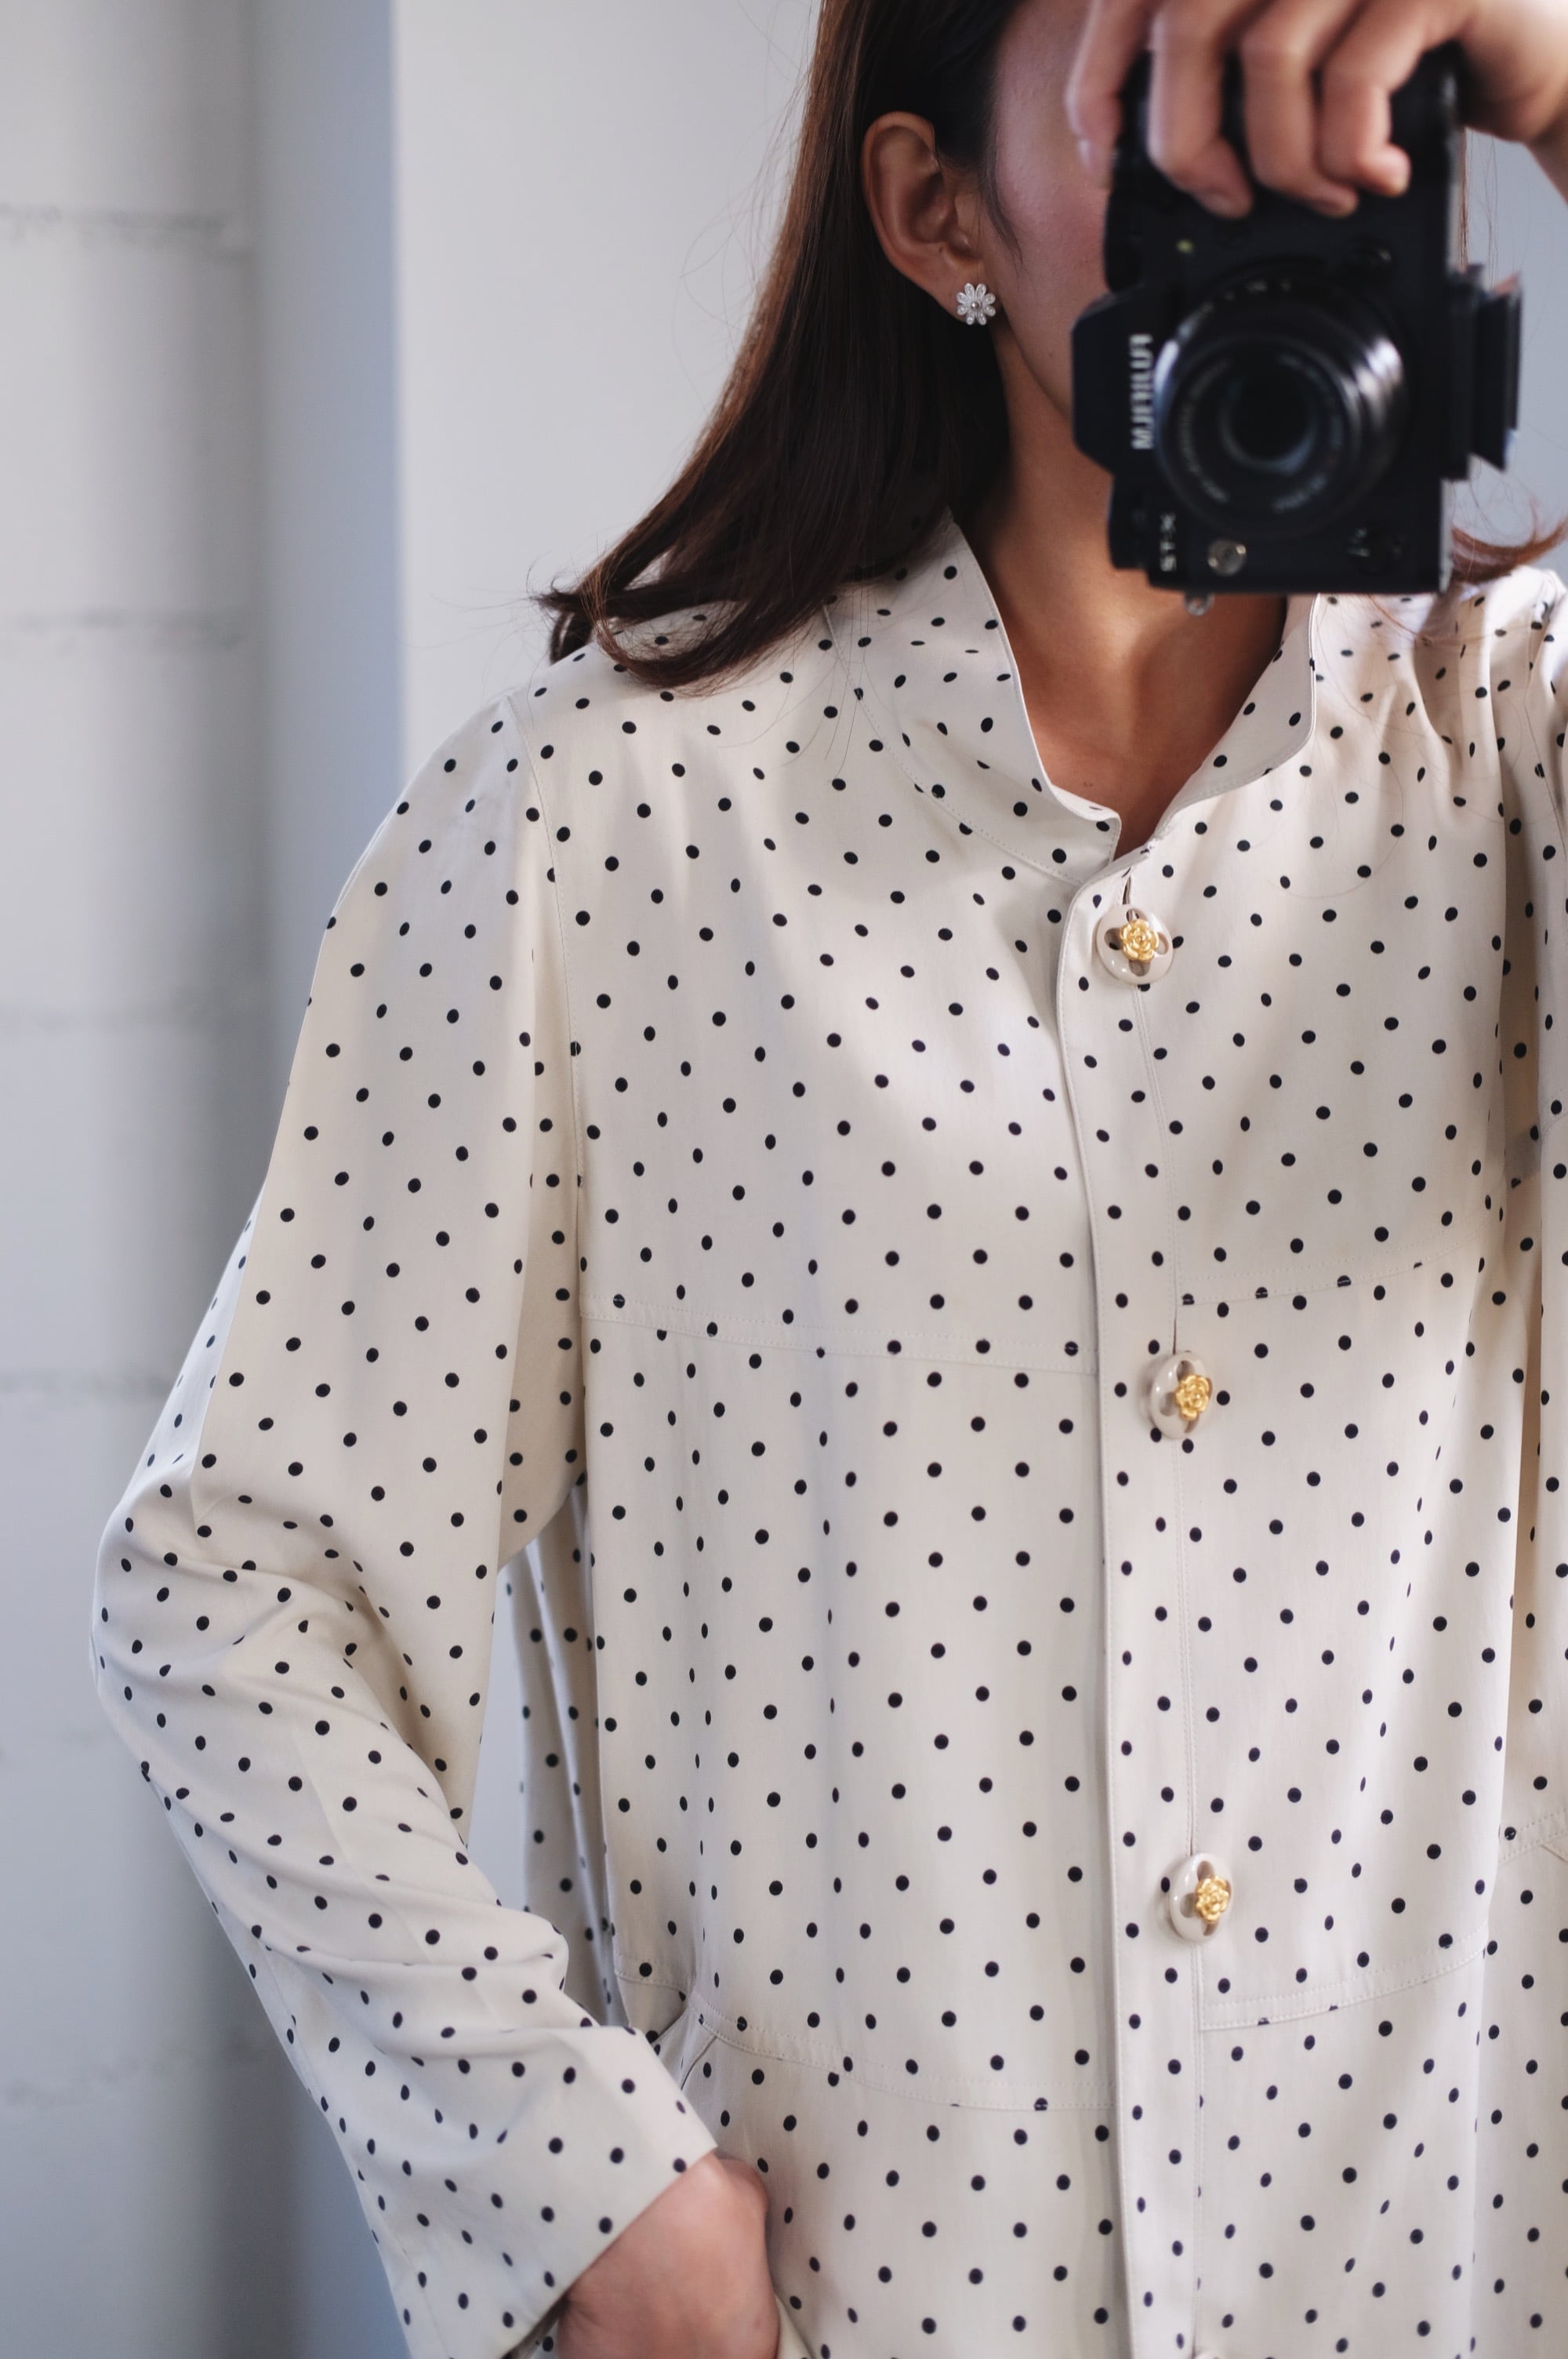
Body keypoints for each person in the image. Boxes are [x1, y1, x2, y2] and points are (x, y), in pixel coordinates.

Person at [91, 1, 1568, 2354]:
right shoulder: (596, 829)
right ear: (936, 208)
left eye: (1335, 96)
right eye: (1162, 93)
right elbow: (240, 1577)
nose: (1268, 175)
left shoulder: (1513, 766)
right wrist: (570, 2188)